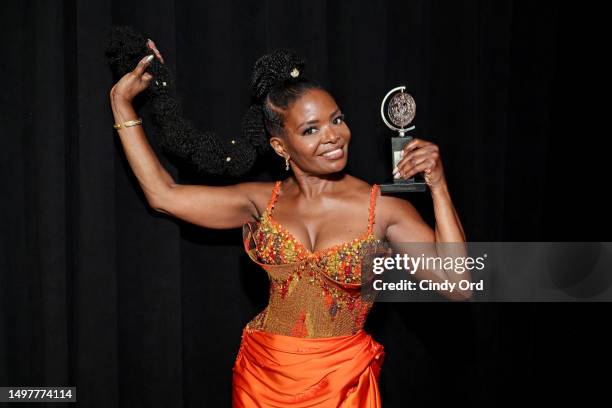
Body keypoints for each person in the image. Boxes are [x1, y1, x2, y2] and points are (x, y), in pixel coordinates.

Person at [109, 40, 470, 407]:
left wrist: (438, 187)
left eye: (338, 119)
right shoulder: (260, 201)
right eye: (311, 129)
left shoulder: (383, 209)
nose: (333, 136)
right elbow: (163, 195)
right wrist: (121, 103)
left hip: (342, 384)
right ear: (281, 148)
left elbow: (459, 285)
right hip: (263, 378)